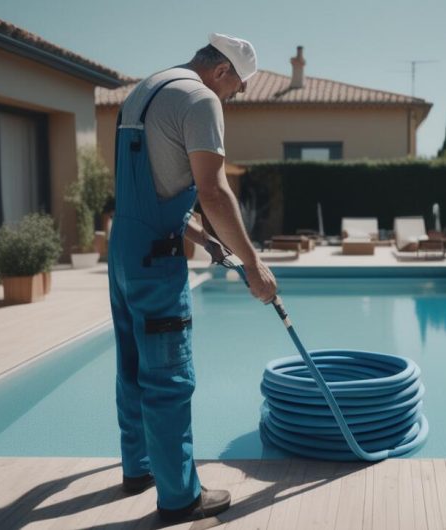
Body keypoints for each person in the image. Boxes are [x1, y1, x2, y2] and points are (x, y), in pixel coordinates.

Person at [107, 33, 277, 524]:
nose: (234, 97)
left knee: (132, 364)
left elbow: (153, 186)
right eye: (237, 88)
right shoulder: (201, 99)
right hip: (157, 261)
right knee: (169, 378)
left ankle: (138, 468)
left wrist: (204, 240)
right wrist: (253, 264)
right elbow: (213, 190)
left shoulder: (146, 89)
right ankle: (180, 498)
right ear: (222, 72)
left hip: (125, 251)